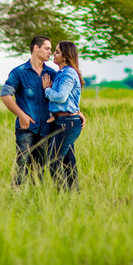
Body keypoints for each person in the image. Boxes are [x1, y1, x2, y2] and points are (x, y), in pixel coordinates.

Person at [0, 36, 57, 186]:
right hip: (26, 129)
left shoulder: (51, 73)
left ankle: (36, 200)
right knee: (22, 166)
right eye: (47, 48)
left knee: (40, 169)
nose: (50, 52)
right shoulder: (19, 72)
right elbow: (5, 94)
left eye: (51, 49)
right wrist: (21, 114)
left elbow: (63, 97)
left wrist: (76, 112)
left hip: (46, 128)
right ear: (36, 48)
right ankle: (16, 199)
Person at [42, 40, 84, 190]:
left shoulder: (68, 74)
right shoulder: (61, 73)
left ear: (65, 56)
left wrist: (47, 89)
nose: (53, 53)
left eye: (57, 52)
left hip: (68, 122)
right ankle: (73, 194)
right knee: (68, 163)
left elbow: (61, 97)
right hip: (64, 121)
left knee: (53, 162)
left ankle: (63, 194)